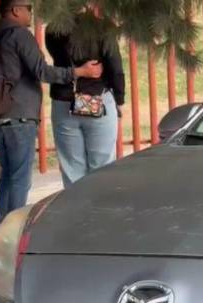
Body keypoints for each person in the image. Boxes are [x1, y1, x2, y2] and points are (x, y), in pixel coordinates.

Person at [0, 0, 102, 217]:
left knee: (8, 176)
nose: (31, 13)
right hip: (20, 116)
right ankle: (13, 226)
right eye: (28, 8)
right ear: (15, 10)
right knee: (20, 179)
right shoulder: (20, 35)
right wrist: (78, 72)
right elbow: (42, 71)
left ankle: (2, 224)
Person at [46, 18, 125, 187]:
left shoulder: (54, 28)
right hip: (97, 99)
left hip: (63, 101)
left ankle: (76, 204)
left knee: (72, 169)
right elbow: (115, 67)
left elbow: (56, 56)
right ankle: (99, 204)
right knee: (102, 167)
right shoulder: (102, 27)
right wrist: (119, 99)